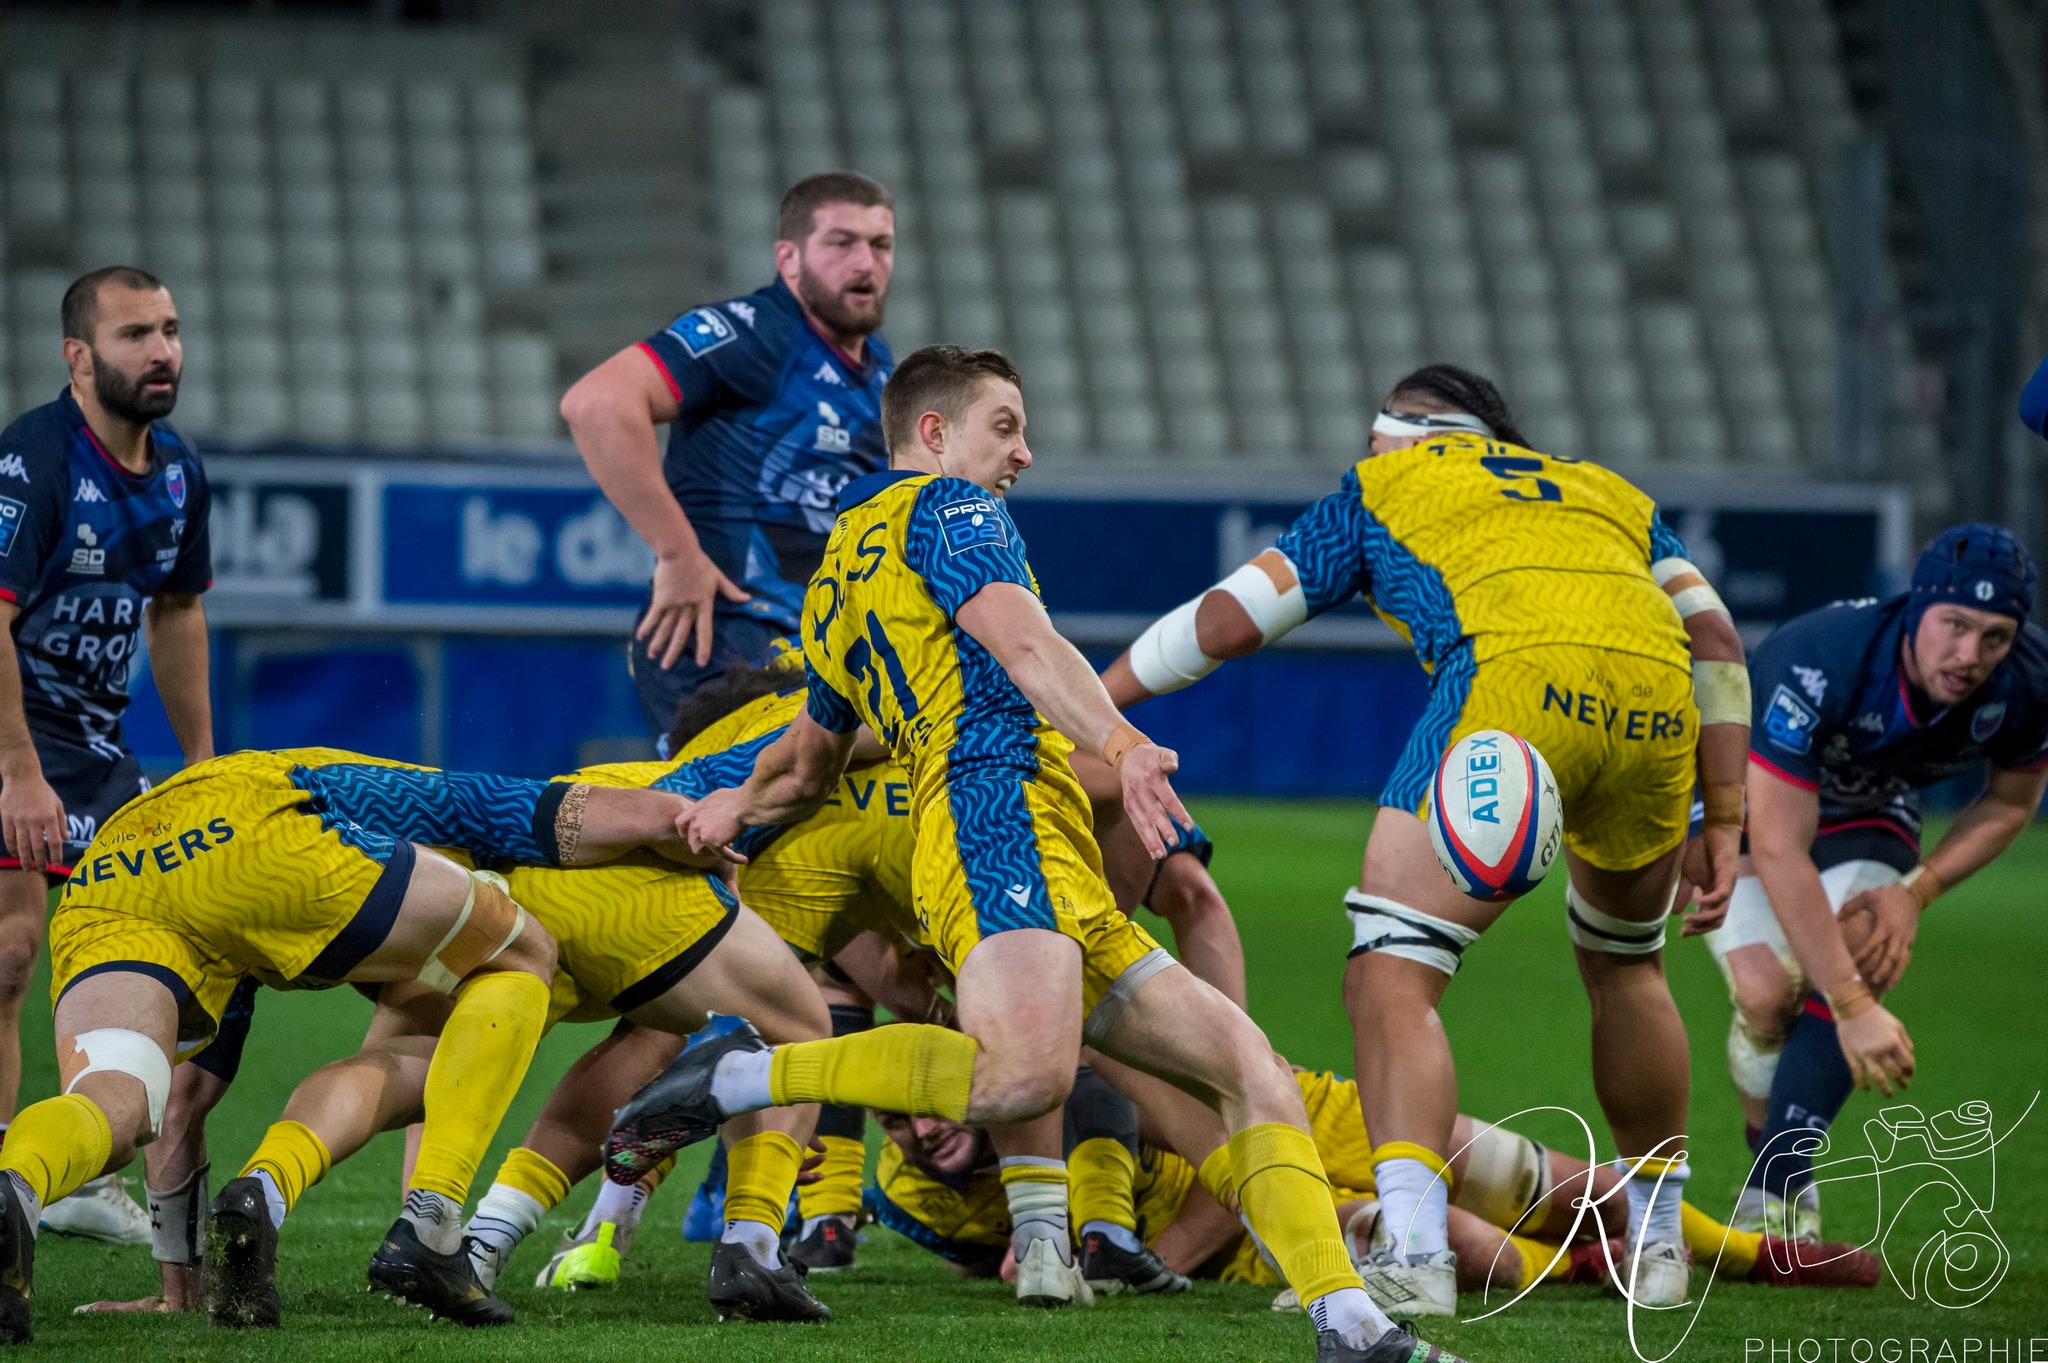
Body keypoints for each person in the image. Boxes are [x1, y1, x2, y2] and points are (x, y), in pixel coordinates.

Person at [645, 346, 1462, 1362]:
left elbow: (807, 760)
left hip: (1032, 835)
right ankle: (742, 1077)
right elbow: (1025, 645)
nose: (1023, 452)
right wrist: (1122, 742)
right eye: (1005, 426)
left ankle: (1349, 1324)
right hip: (994, 812)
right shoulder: (949, 510)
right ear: (933, 435)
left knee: (1250, 1070)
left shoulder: (835, 580)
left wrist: (733, 805)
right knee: (1018, 1081)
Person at [1102, 363, 1752, 1313]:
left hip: (1512, 694)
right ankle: (1657, 1243)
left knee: (1390, 970)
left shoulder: (1382, 486)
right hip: (1656, 714)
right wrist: (1724, 812)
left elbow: (1230, 618)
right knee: (1627, 966)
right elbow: (1720, 643)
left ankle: (1412, 1250)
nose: (1363, 459)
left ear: (1400, 433)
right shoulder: (1610, 491)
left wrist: (1097, 699)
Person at [0, 747, 696, 1342]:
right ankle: (434, 1219)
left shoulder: (220, 927)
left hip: (114, 872)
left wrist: (178, 1284)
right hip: (249, 823)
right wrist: (670, 819)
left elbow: (180, 1105)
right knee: (520, 950)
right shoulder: (365, 780)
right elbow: (525, 809)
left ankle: (21, 1181)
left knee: (118, 1101)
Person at [1702, 524, 2047, 1241]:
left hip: (1868, 805)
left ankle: (1777, 1180)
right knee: (1767, 997)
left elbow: (2011, 801)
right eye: (1954, 626)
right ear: (1914, 606)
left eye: (1994, 635)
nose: (1970, 656)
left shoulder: (2030, 681)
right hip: (1747, 802)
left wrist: (1913, 891)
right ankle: (1769, 1140)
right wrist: (1854, 1007)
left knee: (1861, 942)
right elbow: (1775, 844)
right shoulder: (1820, 657)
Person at [869, 1067, 1881, 1298]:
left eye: (940, 1107)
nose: (926, 1131)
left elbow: (1221, 1136)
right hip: (1230, 1232)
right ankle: (1579, 1275)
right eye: (901, 1120)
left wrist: (1132, 1262)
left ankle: (1748, 1252)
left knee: (1540, 1174)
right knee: (1431, 1235)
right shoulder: (910, 1194)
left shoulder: (1063, 1056)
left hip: (1278, 1121)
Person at [0, 266, 213, 1244]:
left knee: (142, 950)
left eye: (168, 329)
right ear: (78, 355)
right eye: (135, 334)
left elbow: (177, 612)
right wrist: (18, 773)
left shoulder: (178, 472)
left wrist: (202, 760)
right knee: (9, 952)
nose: (162, 350)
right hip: (14, 740)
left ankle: (82, 1163)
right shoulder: (33, 461)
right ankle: (11, 1165)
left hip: (97, 747)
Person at [561, 172, 897, 740]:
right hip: (729, 647)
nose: (865, 263)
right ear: (788, 259)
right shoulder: (752, 332)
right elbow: (596, 403)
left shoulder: (881, 370)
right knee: (739, 819)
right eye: (842, 243)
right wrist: (677, 553)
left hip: (823, 660)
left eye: (880, 244)